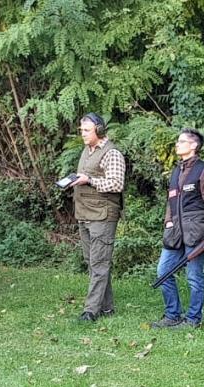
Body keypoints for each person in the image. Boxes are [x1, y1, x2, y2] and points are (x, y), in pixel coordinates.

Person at [152, 129, 204, 329]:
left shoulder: (203, 170)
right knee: (163, 271)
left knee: (194, 277)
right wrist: (168, 222)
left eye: (182, 141)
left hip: (196, 232)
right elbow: (170, 201)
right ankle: (172, 315)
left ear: (193, 146)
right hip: (175, 233)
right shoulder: (177, 170)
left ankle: (193, 320)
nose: (177, 144)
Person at [69, 112, 126, 322]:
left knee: (99, 263)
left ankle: (90, 311)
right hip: (85, 214)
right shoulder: (87, 150)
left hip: (103, 215)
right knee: (92, 261)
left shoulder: (112, 154)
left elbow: (116, 183)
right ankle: (107, 307)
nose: (82, 134)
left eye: (86, 130)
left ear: (99, 131)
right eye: (81, 130)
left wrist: (89, 180)